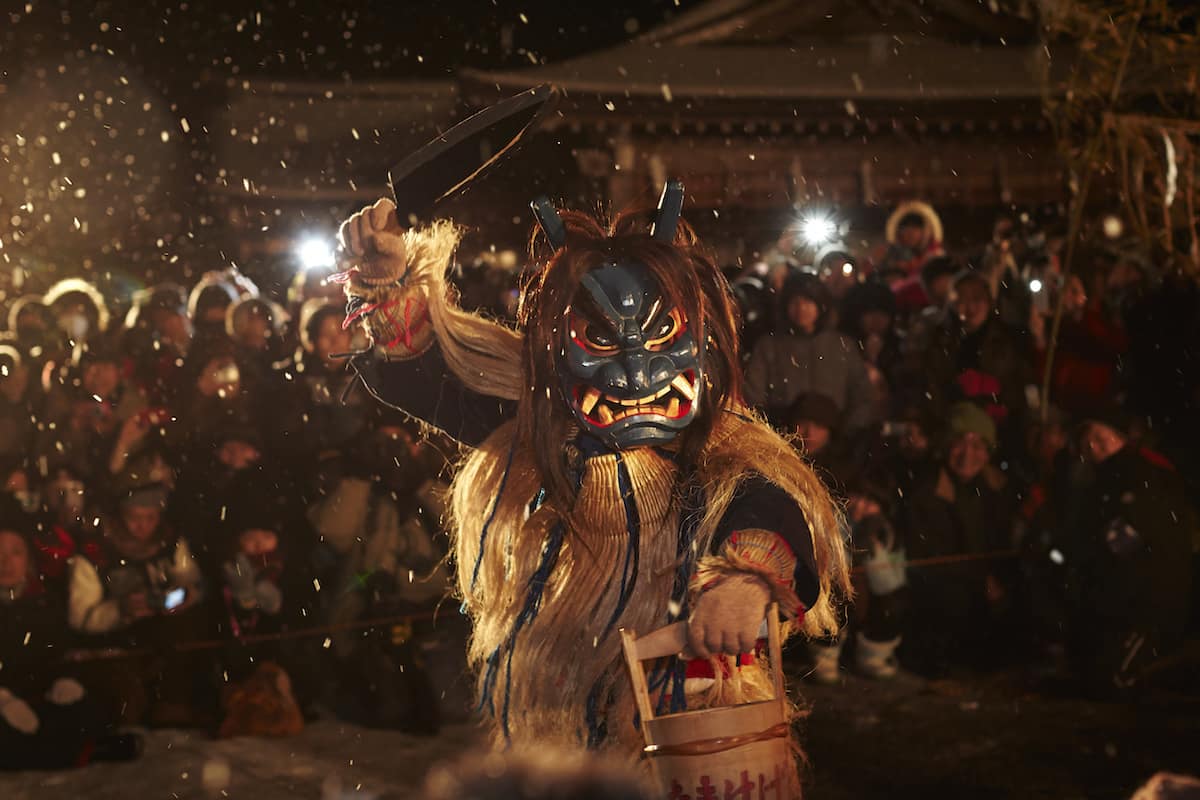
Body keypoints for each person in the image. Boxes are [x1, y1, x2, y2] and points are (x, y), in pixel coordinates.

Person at [334, 186, 850, 777]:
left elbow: (765, 500)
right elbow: (430, 378)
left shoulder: (720, 449)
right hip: (566, 699)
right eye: (602, 341)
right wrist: (387, 282)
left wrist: (745, 580)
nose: (637, 369)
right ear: (559, 347)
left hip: (697, 711)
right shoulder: (542, 426)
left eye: (660, 338)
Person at [0, 498, 141, 768]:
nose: (5, 562)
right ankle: (89, 752)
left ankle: (81, 747)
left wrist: (65, 680)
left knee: (81, 709)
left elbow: (57, 652)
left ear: (28, 559)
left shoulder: (45, 603)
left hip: (37, 695)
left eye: (15, 552)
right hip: (6, 701)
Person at [1066, 409, 1195, 695]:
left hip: (1147, 600)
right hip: (1122, 597)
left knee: (1114, 679)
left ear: (1120, 437)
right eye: (1088, 439)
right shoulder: (1095, 477)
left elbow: (1128, 542)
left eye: (1101, 437)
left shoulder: (1139, 473)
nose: (1093, 445)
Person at [902, 403, 1014, 676]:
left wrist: (1000, 578)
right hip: (945, 588)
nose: (968, 454)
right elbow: (928, 557)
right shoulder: (926, 490)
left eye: (978, 446)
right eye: (960, 443)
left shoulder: (999, 488)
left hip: (987, 582)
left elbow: (1004, 543)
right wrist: (979, 579)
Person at [743, 270, 878, 432]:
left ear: (820, 305)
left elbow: (862, 394)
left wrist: (847, 433)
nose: (801, 308)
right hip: (782, 437)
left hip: (835, 439)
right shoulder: (769, 346)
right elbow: (753, 395)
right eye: (794, 302)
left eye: (807, 301)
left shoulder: (842, 345)